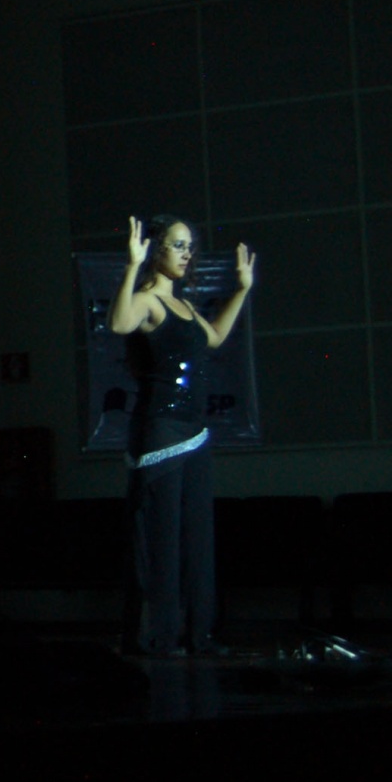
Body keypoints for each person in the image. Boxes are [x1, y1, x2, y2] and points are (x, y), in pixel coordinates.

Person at [106, 214, 255, 656]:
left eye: (190, 246)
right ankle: (159, 635)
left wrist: (243, 289)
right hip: (160, 432)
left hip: (195, 433)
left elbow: (215, 338)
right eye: (177, 245)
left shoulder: (186, 309)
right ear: (157, 251)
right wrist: (132, 265)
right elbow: (119, 324)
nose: (187, 253)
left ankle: (197, 634)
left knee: (195, 539)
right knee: (162, 537)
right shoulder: (149, 301)